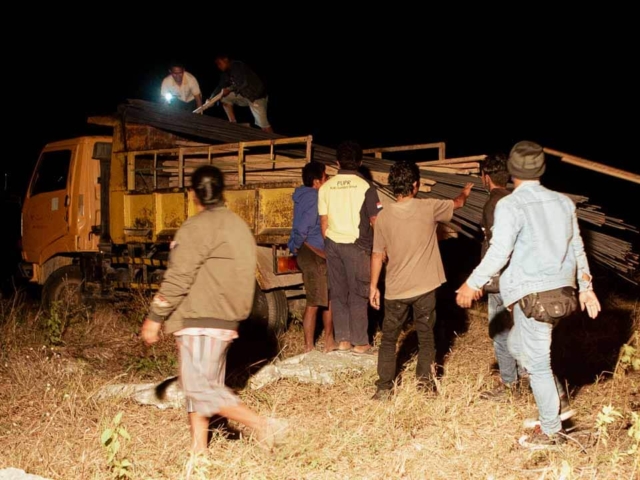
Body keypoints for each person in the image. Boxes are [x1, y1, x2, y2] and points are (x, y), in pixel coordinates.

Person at [456, 140, 601, 447]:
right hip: (558, 294)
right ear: (542, 169)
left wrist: (472, 283)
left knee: (536, 363)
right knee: (517, 344)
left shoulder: (511, 204)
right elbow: (577, 247)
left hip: (536, 298)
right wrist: (585, 289)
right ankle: (553, 400)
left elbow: (499, 252)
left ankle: (550, 430)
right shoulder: (563, 202)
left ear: (511, 171)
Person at [140, 165, 288, 456]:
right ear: (222, 192)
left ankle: (263, 424)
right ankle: (199, 455)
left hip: (199, 320)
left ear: (193, 194)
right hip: (225, 321)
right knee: (202, 387)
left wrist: (155, 318)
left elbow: (178, 278)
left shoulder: (195, 228)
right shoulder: (238, 227)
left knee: (198, 390)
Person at [369, 161, 472, 399]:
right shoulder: (429, 207)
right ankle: (425, 386)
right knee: (426, 336)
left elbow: (376, 254)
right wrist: (465, 192)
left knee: (389, 339)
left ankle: (383, 389)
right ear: (415, 185)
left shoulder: (383, 218)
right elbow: (458, 203)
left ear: (393, 186)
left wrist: (373, 286)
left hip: (395, 290)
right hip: (426, 287)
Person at [318, 140, 383, 355]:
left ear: (337, 162)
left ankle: (343, 340)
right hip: (357, 246)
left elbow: (324, 222)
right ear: (360, 162)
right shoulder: (366, 186)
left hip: (333, 244)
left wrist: (329, 245)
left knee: (338, 293)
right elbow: (375, 220)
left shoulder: (325, 187)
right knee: (358, 294)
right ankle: (361, 343)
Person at [477, 153, 526, 400]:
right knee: (522, 328)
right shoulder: (518, 200)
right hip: (524, 278)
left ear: (486, 178)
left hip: (502, 281)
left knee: (500, 332)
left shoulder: (493, 205)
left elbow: (498, 247)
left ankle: (509, 385)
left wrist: (483, 279)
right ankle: (528, 376)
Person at [287, 162, 336, 353]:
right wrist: (297, 247)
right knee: (315, 301)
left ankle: (329, 341)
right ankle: (308, 347)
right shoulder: (312, 197)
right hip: (313, 252)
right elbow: (301, 229)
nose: (327, 180)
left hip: (319, 253)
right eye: (325, 177)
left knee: (328, 298)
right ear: (317, 181)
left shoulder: (310, 196)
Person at [210, 54, 273, 133]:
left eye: (219, 63)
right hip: (244, 96)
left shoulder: (237, 65)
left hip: (256, 97)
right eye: (217, 65)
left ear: (225, 59)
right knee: (224, 98)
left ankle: (275, 143)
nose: (219, 66)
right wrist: (211, 98)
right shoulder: (225, 73)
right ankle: (233, 123)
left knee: (263, 126)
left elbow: (242, 83)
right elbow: (220, 86)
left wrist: (228, 89)